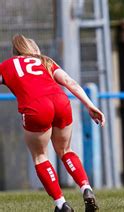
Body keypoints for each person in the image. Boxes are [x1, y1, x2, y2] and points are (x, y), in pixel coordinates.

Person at [0, 34, 102, 212]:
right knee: (65, 151)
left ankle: (61, 203)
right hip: (61, 102)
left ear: (15, 53)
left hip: (36, 107)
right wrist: (90, 105)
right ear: (34, 50)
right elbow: (70, 82)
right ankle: (86, 188)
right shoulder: (44, 61)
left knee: (40, 156)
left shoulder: (6, 65)